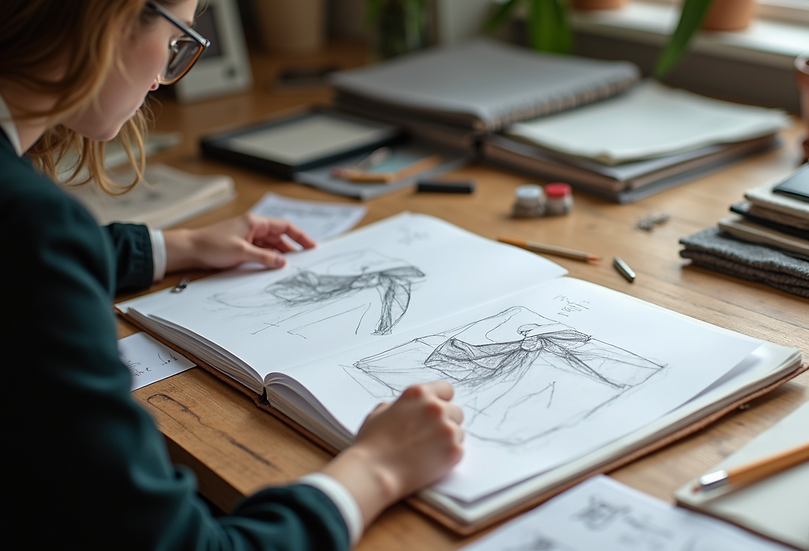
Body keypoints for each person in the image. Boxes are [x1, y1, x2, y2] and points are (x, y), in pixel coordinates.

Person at [0, 1, 464, 549]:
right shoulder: (34, 229)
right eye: (176, 38)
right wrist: (376, 470)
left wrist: (172, 247)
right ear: (107, 18)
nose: (162, 79)